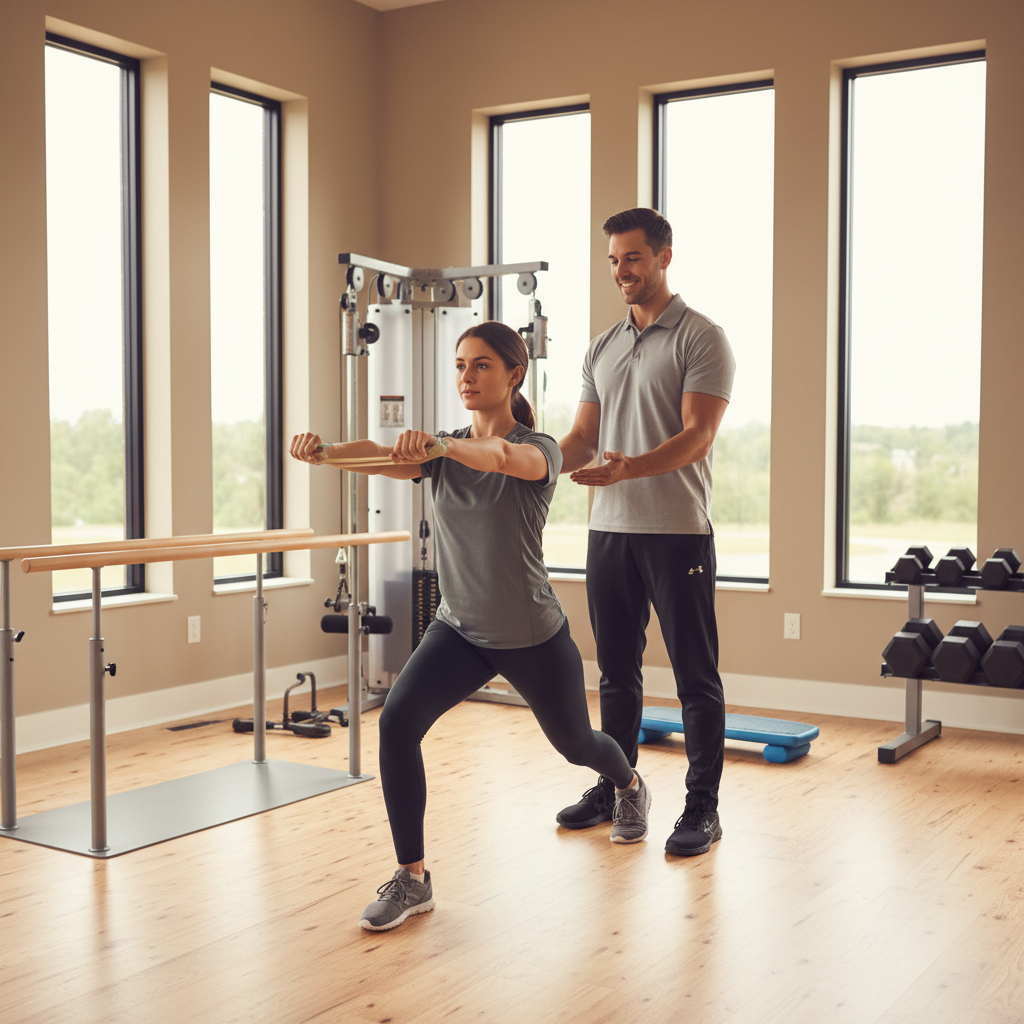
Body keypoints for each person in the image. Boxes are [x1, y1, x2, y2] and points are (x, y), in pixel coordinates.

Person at [290, 320, 651, 933]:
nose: (466, 376)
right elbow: (380, 458)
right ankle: (412, 876)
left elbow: (503, 457)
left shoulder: (541, 449)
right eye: (460, 366)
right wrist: (322, 454)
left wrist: (441, 446)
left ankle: (628, 782)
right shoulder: (441, 450)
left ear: (514, 374)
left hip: (533, 635)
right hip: (458, 629)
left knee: (577, 746)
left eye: (481, 365)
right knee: (398, 725)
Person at [555, 208, 735, 857]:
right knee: (615, 676)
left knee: (695, 677)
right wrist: (525, 462)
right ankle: (616, 788)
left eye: (632, 258)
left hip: (677, 532)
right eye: (612, 260)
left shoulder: (701, 337)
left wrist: (632, 468)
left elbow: (698, 436)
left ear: (663, 256)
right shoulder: (601, 346)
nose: (621, 271)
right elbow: (581, 440)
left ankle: (702, 809)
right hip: (609, 533)